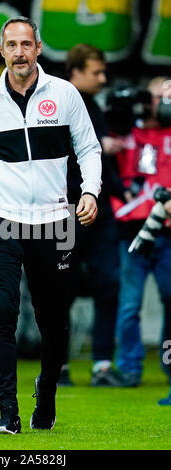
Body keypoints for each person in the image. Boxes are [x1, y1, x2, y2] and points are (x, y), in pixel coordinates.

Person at [0, 17, 102, 434]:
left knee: (54, 321)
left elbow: (89, 148)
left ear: (39, 48)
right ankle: (7, 413)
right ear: (2, 50)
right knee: (3, 312)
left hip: (54, 221)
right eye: (11, 44)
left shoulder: (65, 95)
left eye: (26, 44)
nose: (19, 52)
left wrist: (90, 191)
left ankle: (45, 395)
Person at [60, 44, 130, 387]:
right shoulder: (55, 104)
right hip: (63, 211)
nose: (103, 79)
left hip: (98, 212)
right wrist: (101, 142)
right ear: (75, 72)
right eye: (96, 72)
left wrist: (121, 191)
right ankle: (57, 367)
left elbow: (101, 163)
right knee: (60, 289)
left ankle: (102, 366)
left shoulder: (95, 108)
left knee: (110, 284)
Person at [111, 77, 171, 399]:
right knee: (130, 304)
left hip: (168, 233)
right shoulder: (125, 133)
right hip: (132, 232)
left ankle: (168, 364)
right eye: (159, 96)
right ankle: (131, 369)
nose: (163, 102)